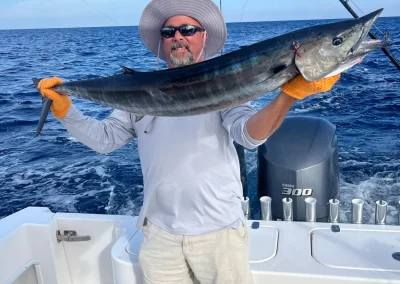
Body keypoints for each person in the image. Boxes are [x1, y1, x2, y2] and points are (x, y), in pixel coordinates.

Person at [37, 0, 341, 283]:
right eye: (169, 32)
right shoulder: (139, 94)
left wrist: (290, 95)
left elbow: (249, 135)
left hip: (219, 234)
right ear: (162, 40)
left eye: (187, 29)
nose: (178, 37)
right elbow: (105, 140)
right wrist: (66, 111)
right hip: (158, 235)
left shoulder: (228, 83)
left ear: (203, 37)